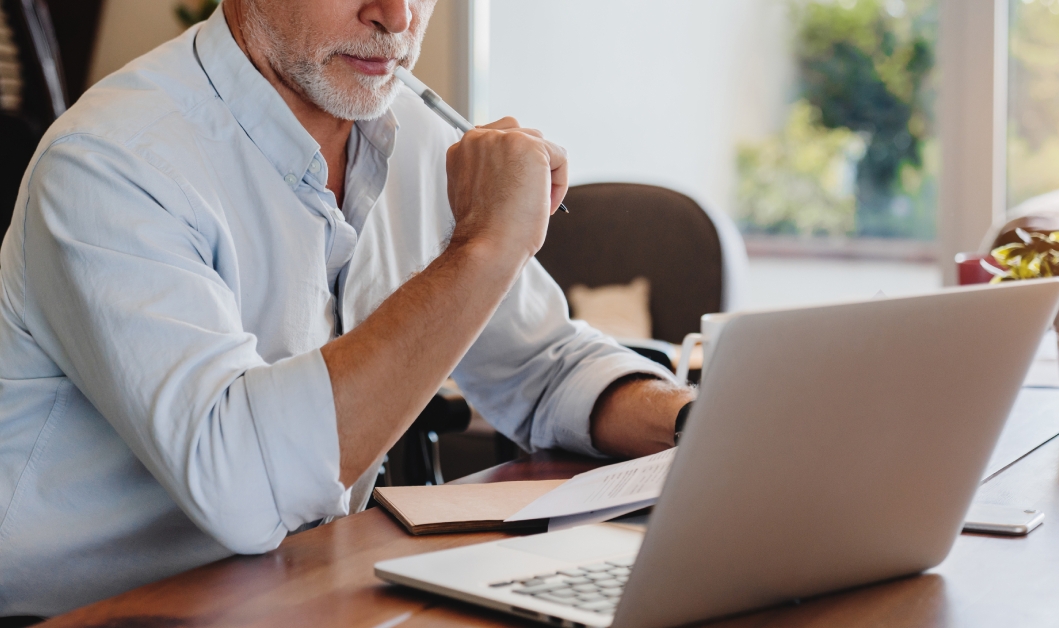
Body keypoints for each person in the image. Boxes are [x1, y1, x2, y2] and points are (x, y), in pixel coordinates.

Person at [0, 0, 694, 617]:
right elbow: (241, 486)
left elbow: (544, 364)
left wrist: (702, 427)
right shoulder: (109, 163)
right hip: (97, 612)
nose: (396, 16)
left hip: (304, 587)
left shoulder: (415, 136)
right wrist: (484, 246)